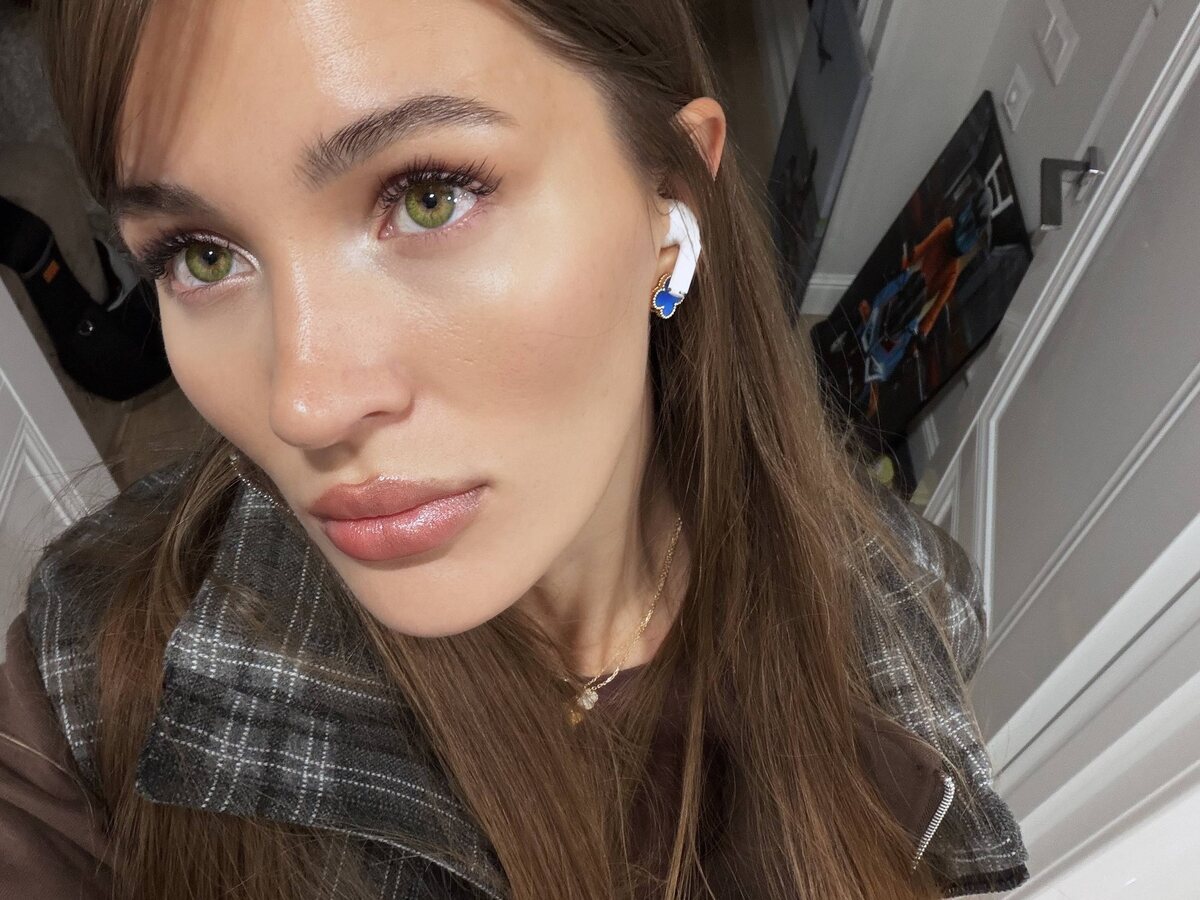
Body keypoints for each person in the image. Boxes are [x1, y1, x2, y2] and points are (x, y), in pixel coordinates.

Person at [0, 1, 1030, 897]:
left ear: (669, 205)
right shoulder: (90, 675)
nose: (304, 404)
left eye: (429, 197)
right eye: (200, 256)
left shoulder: (905, 619)